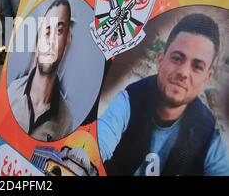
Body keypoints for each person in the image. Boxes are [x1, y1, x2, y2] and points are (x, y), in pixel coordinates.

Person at [98, 13, 229, 176]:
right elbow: (98, 144)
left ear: (207, 79)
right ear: (160, 61)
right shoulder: (130, 100)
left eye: (197, 66)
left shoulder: (208, 132)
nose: (183, 72)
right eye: (177, 58)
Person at [7, 0, 73, 142]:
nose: (51, 41)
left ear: (67, 40)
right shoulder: (12, 93)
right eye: (47, 32)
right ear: (37, 42)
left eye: (60, 31)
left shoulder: (66, 118)